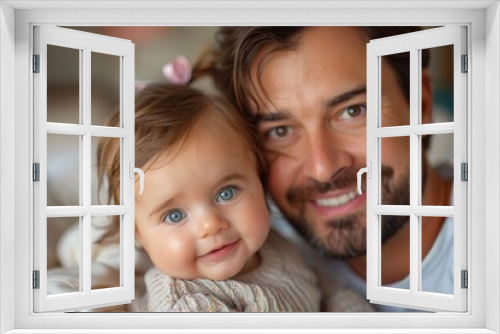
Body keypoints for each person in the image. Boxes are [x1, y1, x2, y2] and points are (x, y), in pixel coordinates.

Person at [90, 57, 373, 313]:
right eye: (174, 215)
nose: (210, 225)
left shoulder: (274, 244)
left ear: (258, 177)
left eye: (226, 193)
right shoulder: (188, 305)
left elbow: (327, 289)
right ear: (137, 233)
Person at [211, 26, 454, 312]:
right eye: (280, 131)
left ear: (421, 105)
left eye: (353, 111)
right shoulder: (246, 263)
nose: (322, 169)